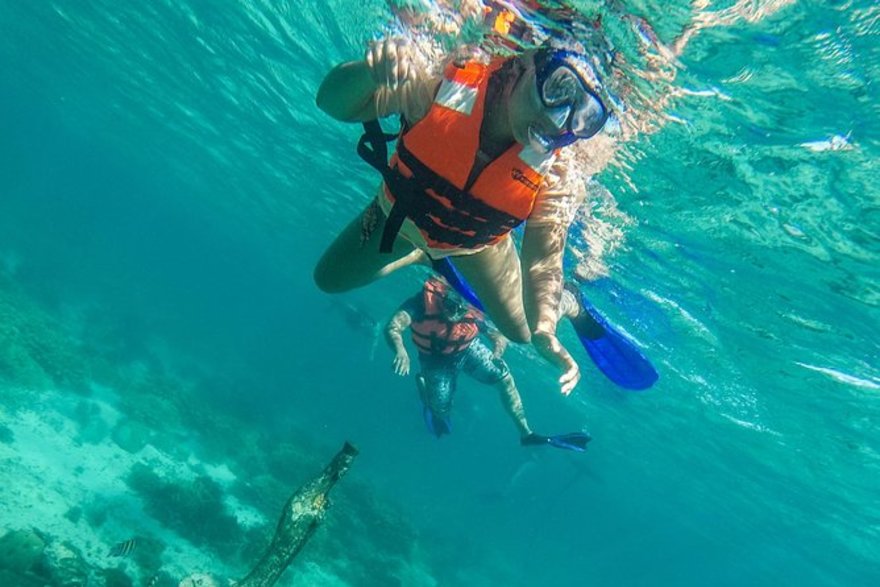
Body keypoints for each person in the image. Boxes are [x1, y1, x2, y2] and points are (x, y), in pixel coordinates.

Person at [314, 37, 613, 396]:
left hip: (476, 246)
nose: (557, 120)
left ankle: (570, 300)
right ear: (526, 62)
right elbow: (331, 102)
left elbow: (544, 260)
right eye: (558, 88)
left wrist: (547, 329)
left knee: (523, 333)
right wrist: (370, 74)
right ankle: (423, 253)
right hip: (397, 217)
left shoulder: (559, 173)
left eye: (584, 116)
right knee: (328, 279)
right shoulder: (445, 81)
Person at [385, 277, 591, 450]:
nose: (453, 316)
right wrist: (401, 350)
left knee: (505, 379)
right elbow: (393, 327)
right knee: (441, 413)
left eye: (459, 312)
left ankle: (526, 433)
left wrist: (497, 353)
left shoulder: (468, 305)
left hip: (468, 349)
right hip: (436, 360)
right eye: (449, 309)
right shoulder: (421, 304)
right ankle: (424, 387)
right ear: (442, 298)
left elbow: (497, 336)